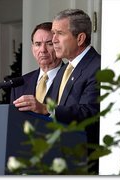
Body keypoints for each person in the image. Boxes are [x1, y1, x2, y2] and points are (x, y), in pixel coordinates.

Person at [13, 9, 101, 173]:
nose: (53, 40)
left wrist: (46, 108)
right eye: (53, 34)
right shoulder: (66, 69)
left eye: (59, 34)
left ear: (80, 38)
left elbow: (91, 113)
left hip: (82, 165)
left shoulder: (97, 66)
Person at [10, 22, 63, 104]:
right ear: (32, 48)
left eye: (49, 44)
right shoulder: (19, 85)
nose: (43, 50)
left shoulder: (72, 78)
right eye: (38, 44)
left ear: (59, 46)